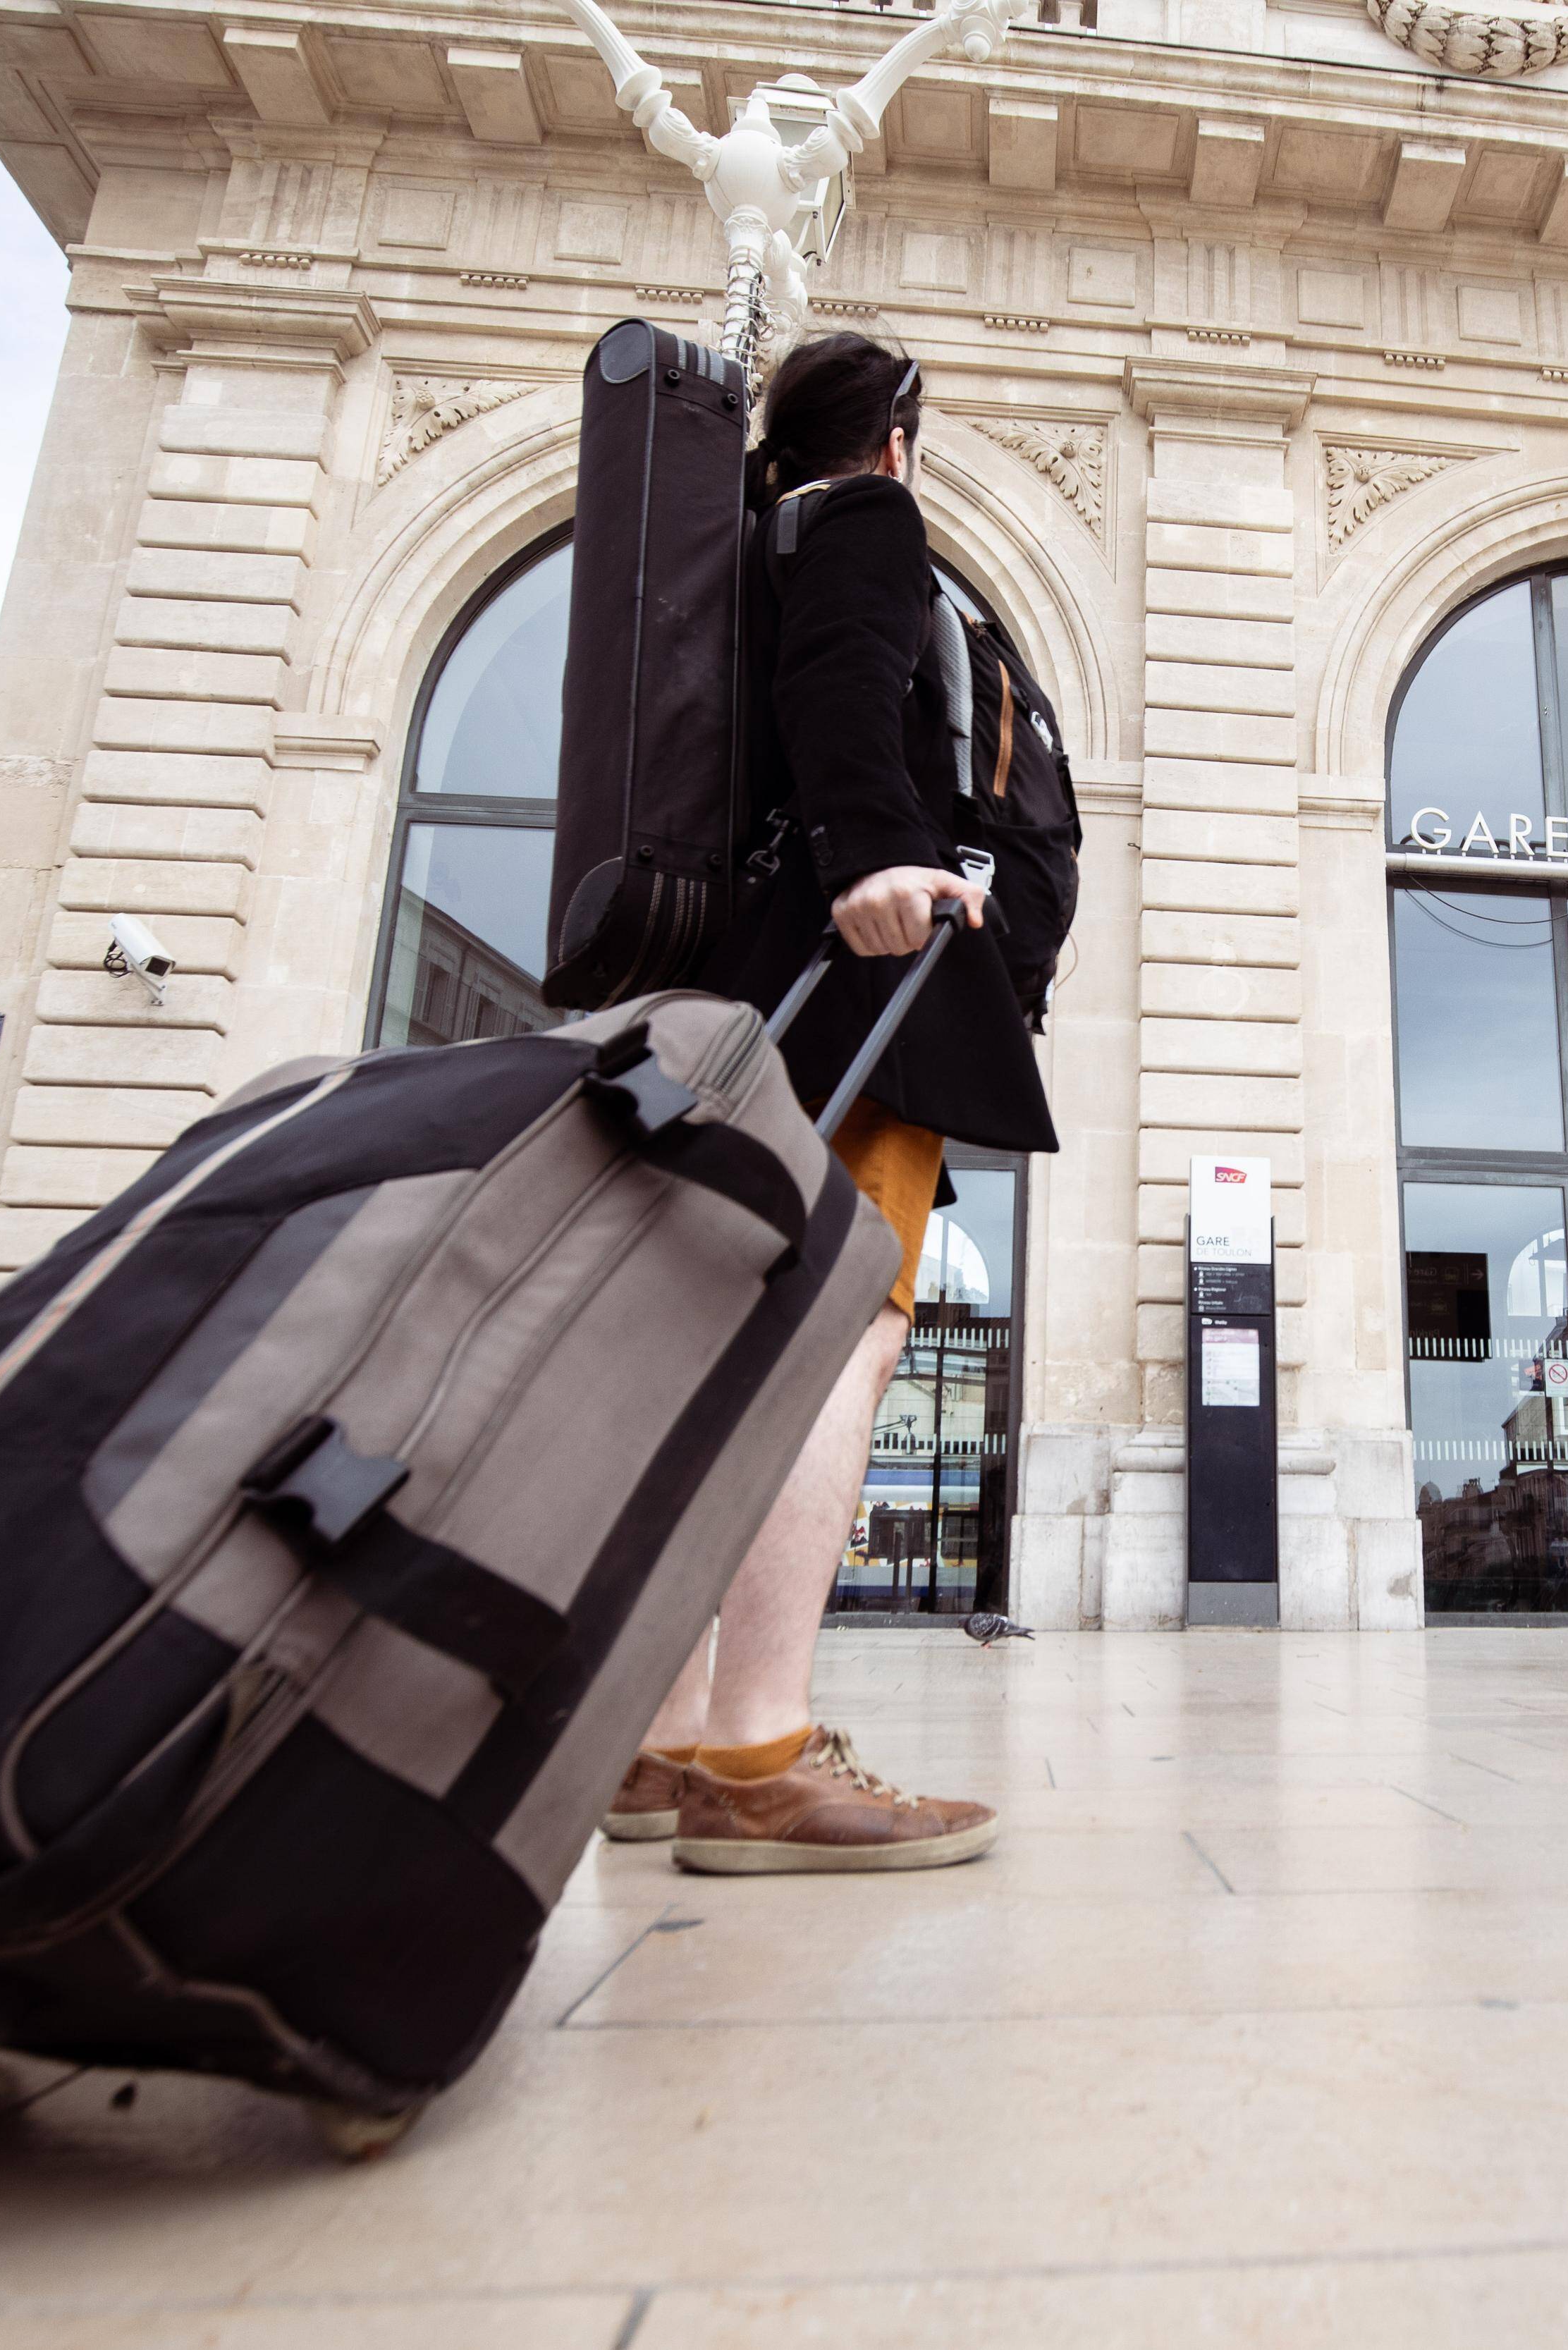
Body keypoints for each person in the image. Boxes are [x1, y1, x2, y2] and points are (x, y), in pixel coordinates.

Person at [602, 333, 1061, 1873]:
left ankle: (664, 1740)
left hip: (737, 988)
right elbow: (844, 684)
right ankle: (759, 1752)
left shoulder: (745, 546)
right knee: (838, 1331)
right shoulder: (863, 516)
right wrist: (876, 856)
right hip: (846, 979)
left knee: (727, 1350)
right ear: (898, 440)